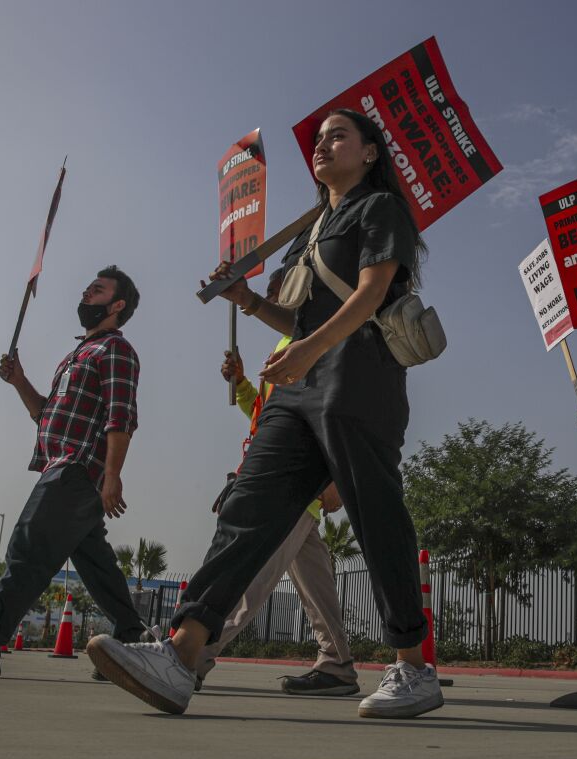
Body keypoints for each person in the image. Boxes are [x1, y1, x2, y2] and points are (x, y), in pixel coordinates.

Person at [88, 108, 439, 718]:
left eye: (339, 136)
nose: (323, 146)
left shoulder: (379, 210)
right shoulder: (311, 229)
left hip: (359, 380)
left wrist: (305, 350)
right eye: (320, 139)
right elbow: (295, 319)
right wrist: (246, 299)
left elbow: (373, 293)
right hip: (297, 389)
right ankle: (181, 654)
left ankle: (413, 666)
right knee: (246, 509)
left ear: (371, 153)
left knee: (377, 517)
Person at [0, 267, 145, 677]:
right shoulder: (76, 355)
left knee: (27, 551)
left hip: (76, 470)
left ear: (117, 305)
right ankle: (134, 642)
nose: (86, 294)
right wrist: (19, 381)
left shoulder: (115, 350)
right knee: (96, 565)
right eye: (87, 288)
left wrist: (112, 475)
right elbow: (46, 415)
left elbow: (121, 416)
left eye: (97, 290)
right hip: (61, 464)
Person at [196, 265, 359, 696]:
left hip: (290, 489)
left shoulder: (317, 342)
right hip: (279, 482)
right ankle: (337, 662)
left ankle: (193, 654)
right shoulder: (286, 345)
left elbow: (334, 415)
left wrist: (337, 478)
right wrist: (242, 383)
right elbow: (264, 417)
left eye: (275, 289)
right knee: (317, 585)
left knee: (249, 576)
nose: (268, 296)